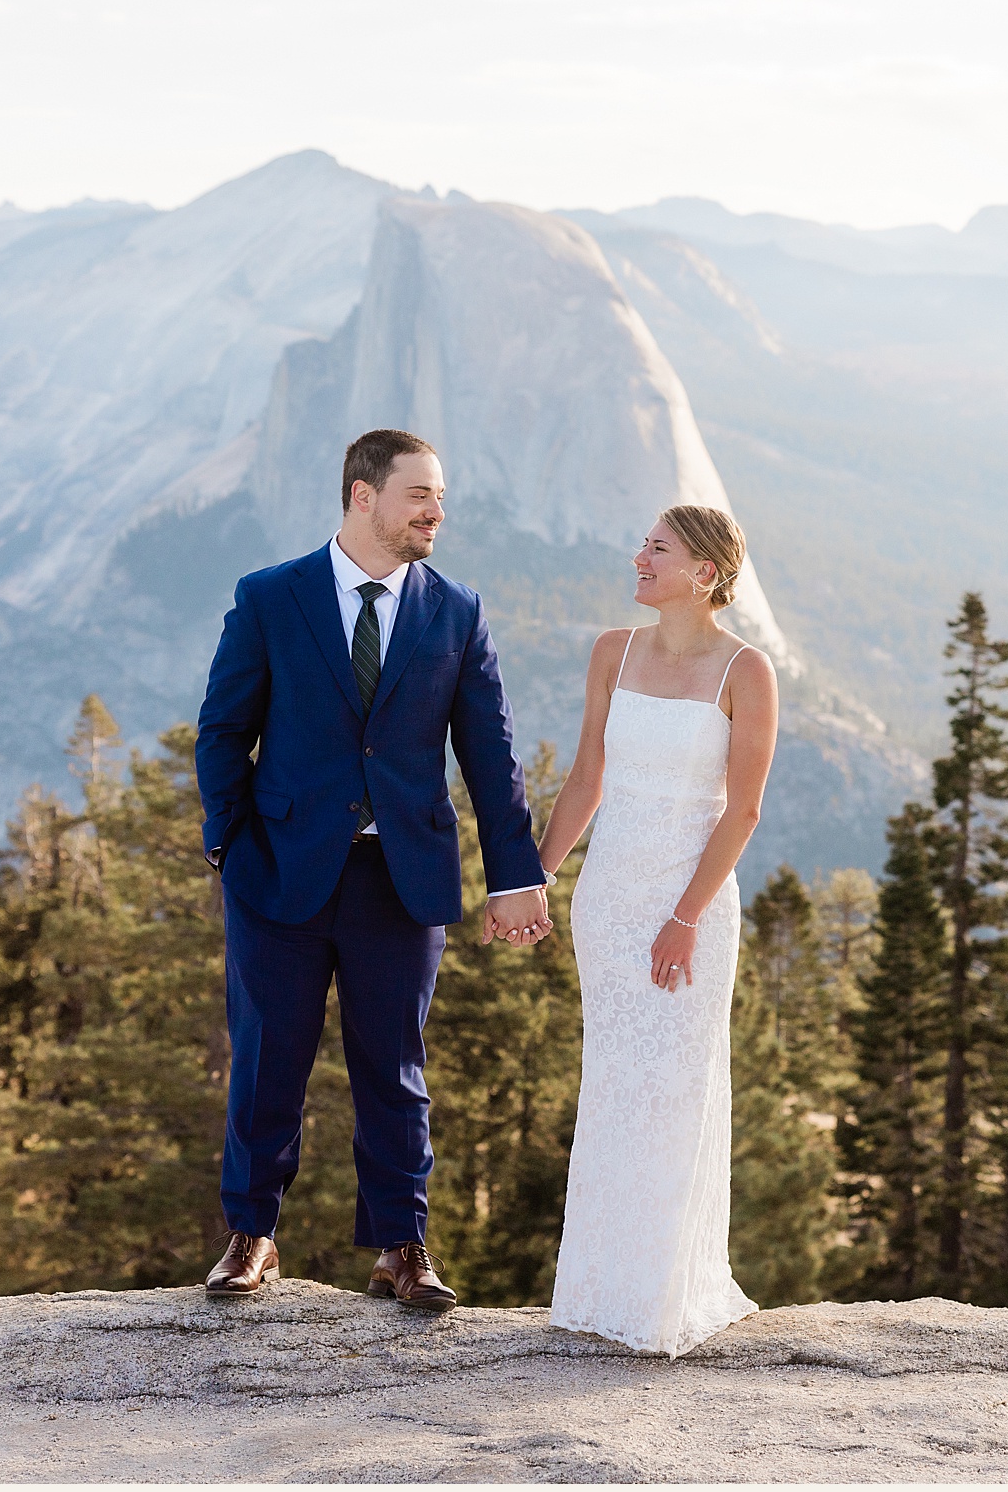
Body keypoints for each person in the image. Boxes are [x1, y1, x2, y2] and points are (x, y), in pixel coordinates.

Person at [193, 428, 554, 1311]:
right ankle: (251, 1237)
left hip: (403, 879)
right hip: (279, 873)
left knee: (395, 1068)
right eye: (420, 495)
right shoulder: (272, 597)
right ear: (363, 495)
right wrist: (229, 845)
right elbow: (221, 730)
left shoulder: (457, 610)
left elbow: (490, 756)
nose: (437, 512)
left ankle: (403, 1245)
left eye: (441, 498)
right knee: (267, 1058)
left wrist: (516, 874)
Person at [534, 504, 781, 1355]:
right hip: (607, 899)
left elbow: (743, 811)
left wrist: (685, 916)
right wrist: (534, 879)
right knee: (614, 1082)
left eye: (658, 548)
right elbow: (585, 780)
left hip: (692, 904)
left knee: (676, 1083)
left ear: (705, 573)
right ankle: (601, 1294)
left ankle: (665, 1296)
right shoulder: (615, 650)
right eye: (642, 542)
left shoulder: (746, 672)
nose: (638, 556)